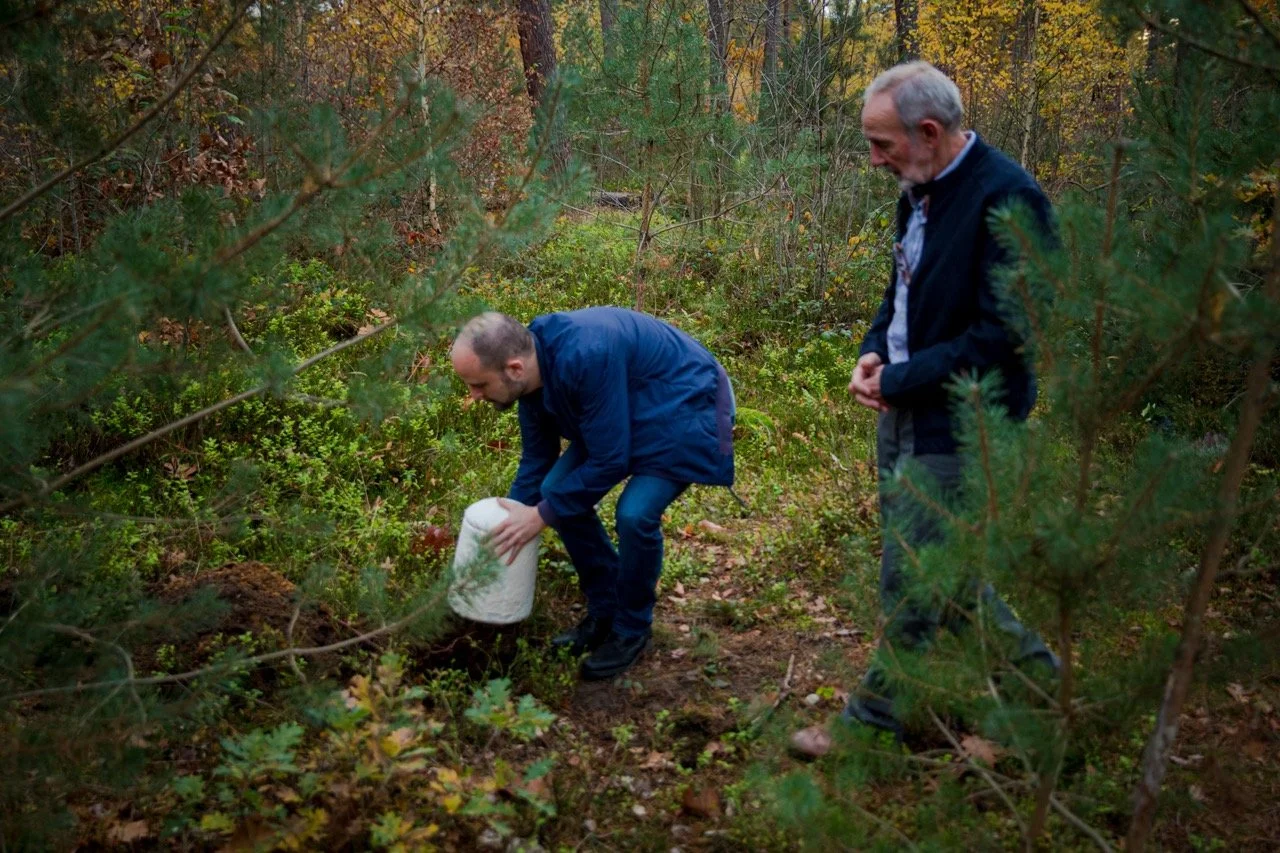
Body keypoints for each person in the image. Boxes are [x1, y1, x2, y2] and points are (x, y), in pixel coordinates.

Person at [791, 61, 1059, 756]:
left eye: (882, 144)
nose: (873, 158)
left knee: (910, 577)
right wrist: (876, 350)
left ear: (930, 131)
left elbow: (1005, 337)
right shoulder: (917, 189)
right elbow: (901, 293)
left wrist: (904, 378)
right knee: (947, 579)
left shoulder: (1010, 200)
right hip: (904, 408)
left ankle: (872, 724)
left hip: (963, 423)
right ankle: (1044, 689)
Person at [450, 307, 735, 680]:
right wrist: (514, 515)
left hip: (684, 401)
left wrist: (540, 516)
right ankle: (606, 606)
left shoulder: (585, 355)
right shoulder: (532, 370)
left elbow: (609, 460)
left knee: (634, 514)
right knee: (553, 489)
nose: (473, 395)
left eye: (479, 385)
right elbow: (539, 457)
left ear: (514, 369)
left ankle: (631, 628)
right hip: (626, 409)